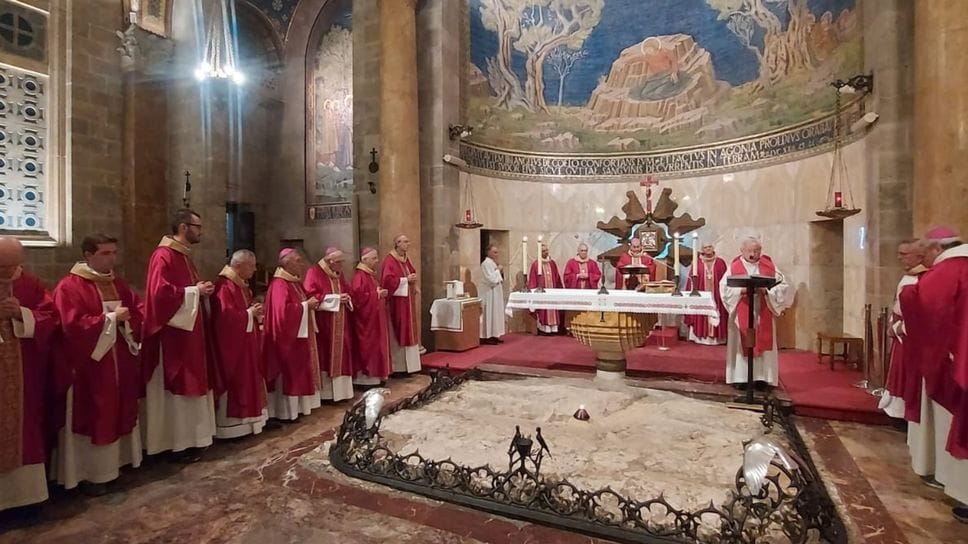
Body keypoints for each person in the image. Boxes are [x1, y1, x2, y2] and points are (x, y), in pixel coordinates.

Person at [52, 234, 143, 494]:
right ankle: (90, 474)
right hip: (89, 366)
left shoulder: (117, 283)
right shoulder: (69, 287)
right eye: (105, 253)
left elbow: (137, 309)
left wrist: (127, 320)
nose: (112, 258)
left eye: (114, 252)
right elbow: (71, 326)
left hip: (118, 360)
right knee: (95, 413)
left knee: (118, 409)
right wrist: (111, 319)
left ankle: (116, 465)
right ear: (88, 255)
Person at [899, 227, 968, 523]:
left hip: (951, 365)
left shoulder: (946, 273)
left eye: (924, 253)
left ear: (937, 249)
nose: (924, 260)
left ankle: (957, 485)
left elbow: (926, 312)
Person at [141, 209, 216, 460]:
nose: (201, 231)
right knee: (177, 387)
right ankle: (174, 443)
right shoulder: (163, 255)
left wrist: (199, 291)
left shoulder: (183, 256)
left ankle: (191, 438)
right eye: (198, 226)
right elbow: (159, 294)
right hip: (173, 335)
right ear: (183, 227)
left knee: (193, 383)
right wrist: (194, 291)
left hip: (189, 332)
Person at [0, 237, 58, 511]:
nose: (7, 273)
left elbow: (50, 317)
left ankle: (24, 499)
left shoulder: (29, 283)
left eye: (12, 265)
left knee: (24, 428)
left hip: (23, 372)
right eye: (2, 266)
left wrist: (22, 313)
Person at [719, 236, 793, 389]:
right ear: (742, 251)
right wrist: (742, 290)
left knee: (763, 341)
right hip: (742, 312)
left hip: (762, 309)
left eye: (756, 250)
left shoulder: (769, 265)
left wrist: (767, 291)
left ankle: (763, 378)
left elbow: (783, 286)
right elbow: (725, 289)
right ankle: (741, 378)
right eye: (749, 251)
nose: (753, 254)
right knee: (742, 343)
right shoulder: (734, 267)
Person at [211, 249, 268, 439]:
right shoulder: (224, 286)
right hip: (233, 346)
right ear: (238, 265)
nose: (254, 270)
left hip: (246, 342)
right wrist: (249, 314)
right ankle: (233, 427)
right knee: (238, 381)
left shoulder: (240, 285)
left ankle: (250, 423)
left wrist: (254, 312)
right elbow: (225, 319)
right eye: (251, 266)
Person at [263, 249, 322, 420]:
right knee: (290, 373)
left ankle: (298, 410)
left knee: (299, 370)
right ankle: (287, 413)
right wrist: (305, 306)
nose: (302, 264)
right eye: (298, 261)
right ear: (287, 263)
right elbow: (283, 313)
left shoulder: (293, 282)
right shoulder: (280, 284)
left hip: (299, 335)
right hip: (287, 338)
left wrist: (309, 303)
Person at [879, 239, 928, 419]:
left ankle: (904, 414)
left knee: (908, 376)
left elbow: (920, 313)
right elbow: (898, 304)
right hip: (900, 332)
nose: (900, 258)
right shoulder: (909, 275)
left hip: (910, 336)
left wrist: (898, 328)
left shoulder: (924, 278)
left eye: (904, 254)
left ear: (919, 256)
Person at [304, 247, 354, 402]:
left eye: (342, 262)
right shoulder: (314, 272)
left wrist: (347, 298)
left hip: (341, 321)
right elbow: (311, 295)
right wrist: (336, 299)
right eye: (339, 262)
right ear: (329, 261)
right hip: (324, 322)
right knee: (326, 354)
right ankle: (328, 395)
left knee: (342, 353)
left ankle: (342, 394)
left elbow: (347, 289)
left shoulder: (338, 273)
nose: (341, 265)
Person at [349, 247, 391, 385]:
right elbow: (358, 298)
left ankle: (379, 375)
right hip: (366, 323)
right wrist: (377, 295)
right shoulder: (359, 276)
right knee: (369, 347)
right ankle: (366, 380)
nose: (377, 261)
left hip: (376, 319)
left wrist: (378, 292)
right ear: (364, 259)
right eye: (373, 258)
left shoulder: (370, 275)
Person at [381, 234, 421, 373]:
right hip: (396, 305)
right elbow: (387, 281)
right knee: (398, 332)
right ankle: (399, 368)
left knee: (409, 331)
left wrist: (413, 281)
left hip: (407, 303)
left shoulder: (405, 259)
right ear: (397, 244)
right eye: (404, 242)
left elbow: (412, 272)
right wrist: (405, 280)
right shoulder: (390, 261)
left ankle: (411, 367)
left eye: (408, 241)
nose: (408, 244)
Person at [684, 242, 728, 345]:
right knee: (701, 312)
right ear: (702, 250)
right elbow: (691, 280)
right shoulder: (697, 263)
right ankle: (700, 337)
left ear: (713, 248)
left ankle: (718, 338)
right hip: (701, 295)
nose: (708, 249)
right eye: (705, 247)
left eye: (710, 247)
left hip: (716, 296)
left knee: (717, 312)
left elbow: (725, 281)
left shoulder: (720, 262)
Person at [527, 243, 563, 335]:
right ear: (539, 252)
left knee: (553, 309)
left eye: (547, 250)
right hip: (541, 293)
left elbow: (557, 277)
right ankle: (544, 329)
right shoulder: (536, 264)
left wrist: (559, 289)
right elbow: (532, 279)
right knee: (544, 310)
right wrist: (533, 290)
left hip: (552, 292)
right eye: (543, 251)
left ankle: (554, 328)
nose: (546, 252)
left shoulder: (552, 263)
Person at [479, 244, 506, 344]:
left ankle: (495, 334)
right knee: (489, 313)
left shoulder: (493, 263)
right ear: (488, 252)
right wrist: (498, 270)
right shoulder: (486, 263)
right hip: (489, 293)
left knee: (496, 313)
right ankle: (487, 336)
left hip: (496, 292)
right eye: (495, 252)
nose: (497, 254)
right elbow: (490, 279)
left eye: (497, 252)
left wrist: (499, 270)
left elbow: (499, 278)